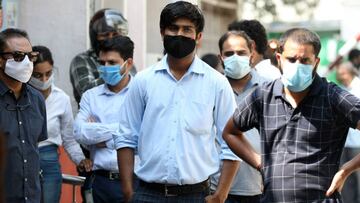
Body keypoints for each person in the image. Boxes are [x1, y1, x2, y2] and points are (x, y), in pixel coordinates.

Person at [114, 1, 240, 202]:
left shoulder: (216, 83)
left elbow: (232, 139)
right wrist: (129, 192)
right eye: (173, 28)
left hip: (196, 195)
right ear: (163, 33)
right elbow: (126, 137)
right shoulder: (143, 81)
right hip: (147, 194)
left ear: (198, 37)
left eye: (187, 29)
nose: (179, 34)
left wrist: (221, 195)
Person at [223, 28, 360, 202]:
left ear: (315, 62)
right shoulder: (263, 96)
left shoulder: (333, 97)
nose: (297, 65)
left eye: (305, 61)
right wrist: (259, 163)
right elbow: (230, 132)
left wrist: (346, 170)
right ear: (279, 59)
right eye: (291, 59)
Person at [74, 36, 135, 203]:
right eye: (102, 63)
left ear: (128, 63)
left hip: (134, 182)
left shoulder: (141, 94)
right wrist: (123, 131)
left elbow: (145, 137)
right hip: (99, 182)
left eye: (112, 62)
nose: (105, 68)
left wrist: (99, 136)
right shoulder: (90, 96)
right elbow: (79, 132)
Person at [28, 45, 92, 203]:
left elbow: (69, 139)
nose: (44, 80)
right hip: (24, 159)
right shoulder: (21, 96)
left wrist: (81, 160)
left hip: (49, 161)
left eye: (48, 73)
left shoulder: (61, 98)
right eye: (37, 75)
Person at [211, 30, 267, 203]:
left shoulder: (269, 89)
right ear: (221, 58)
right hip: (216, 189)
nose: (235, 58)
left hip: (259, 187)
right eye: (229, 54)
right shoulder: (212, 88)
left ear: (251, 54)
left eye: (241, 53)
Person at [0, 28, 47, 202]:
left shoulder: (37, 100)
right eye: (19, 56)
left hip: (31, 196)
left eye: (31, 56)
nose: (27, 62)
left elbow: (34, 148)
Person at [69, 8, 129, 104]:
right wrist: (114, 74)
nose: (111, 38)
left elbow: (134, 91)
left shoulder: (125, 59)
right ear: (95, 37)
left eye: (115, 34)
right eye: (105, 35)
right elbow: (86, 92)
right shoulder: (81, 60)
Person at [336, 62, 360, 203]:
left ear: (350, 73)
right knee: (345, 177)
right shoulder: (340, 89)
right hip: (344, 142)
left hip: (358, 142)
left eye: (343, 73)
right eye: (339, 74)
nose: (341, 76)